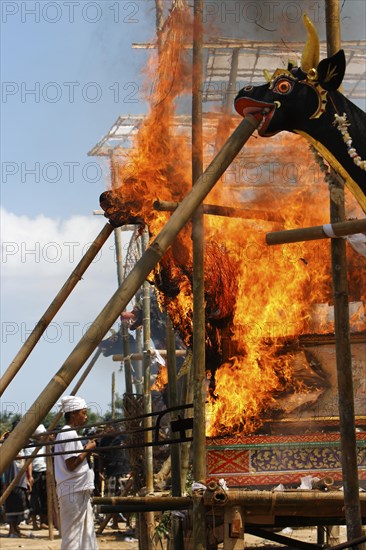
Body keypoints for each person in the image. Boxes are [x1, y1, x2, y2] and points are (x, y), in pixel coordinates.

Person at [53, 396, 99, 550]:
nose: (85, 417)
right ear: (73, 413)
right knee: (72, 535)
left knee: (86, 533)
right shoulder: (69, 433)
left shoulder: (69, 433)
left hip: (77, 489)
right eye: (83, 413)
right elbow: (71, 464)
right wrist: (87, 450)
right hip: (73, 490)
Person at [2, 423, 33, 538]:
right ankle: (12, 530)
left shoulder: (21, 441)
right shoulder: (9, 440)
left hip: (20, 478)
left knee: (20, 504)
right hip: (11, 477)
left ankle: (16, 528)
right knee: (12, 504)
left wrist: (28, 478)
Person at [29, 424, 48, 530]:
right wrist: (30, 476)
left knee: (44, 498)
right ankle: (34, 523)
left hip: (44, 473)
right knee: (35, 499)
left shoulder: (46, 446)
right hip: (35, 473)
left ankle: (42, 521)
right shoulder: (31, 446)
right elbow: (29, 462)